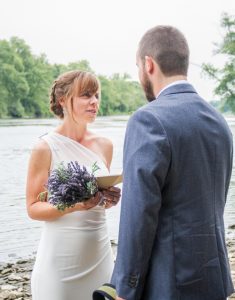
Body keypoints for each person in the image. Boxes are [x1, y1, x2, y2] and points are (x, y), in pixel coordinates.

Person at [111, 26, 234, 300]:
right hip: (213, 278)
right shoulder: (219, 121)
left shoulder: (148, 120)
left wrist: (125, 287)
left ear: (149, 64)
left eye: (137, 67)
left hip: (166, 284)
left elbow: (138, 214)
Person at [26, 70, 121, 300]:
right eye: (86, 95)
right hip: (60, 262)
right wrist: (75, 206)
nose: (94, 101)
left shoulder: (105, 145)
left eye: (96, 95)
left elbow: (96, 199)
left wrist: (107, 199)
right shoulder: (45, 147)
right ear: (63, 101)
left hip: (99, 254)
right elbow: (33, 208)